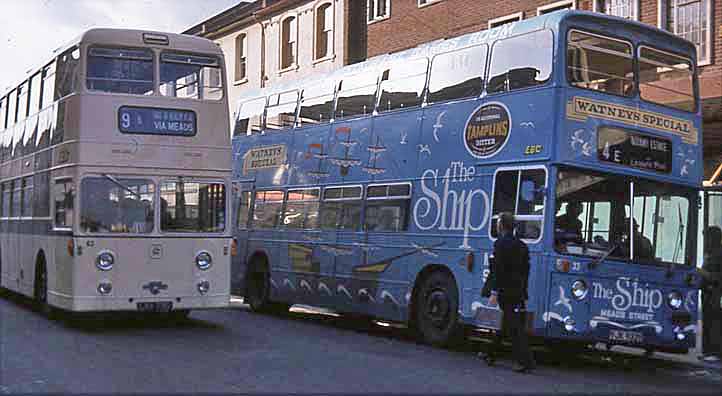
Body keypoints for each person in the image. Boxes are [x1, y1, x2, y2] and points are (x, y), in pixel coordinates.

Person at [480, 212, 534, 373]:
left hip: (505, 291)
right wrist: (523, 291)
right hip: (518, 291)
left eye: (497, 222)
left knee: (513, 326)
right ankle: (490, 354)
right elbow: (526, 271)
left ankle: (524, 361)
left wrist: (495, 292)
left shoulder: (500, 244)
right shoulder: (522, 245)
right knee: (507, 322)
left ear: (501, 226)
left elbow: (498, 270)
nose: (496, 225)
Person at [700, 226, 722, 361]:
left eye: (707, 238)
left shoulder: (719, 254)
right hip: (708, 293)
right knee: (707, 320)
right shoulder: (711, 254)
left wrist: (703, 274)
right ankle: (708, 351)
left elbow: (717, 277)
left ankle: (715, 352)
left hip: (715, 293)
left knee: (714, 321)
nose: (705, 241)